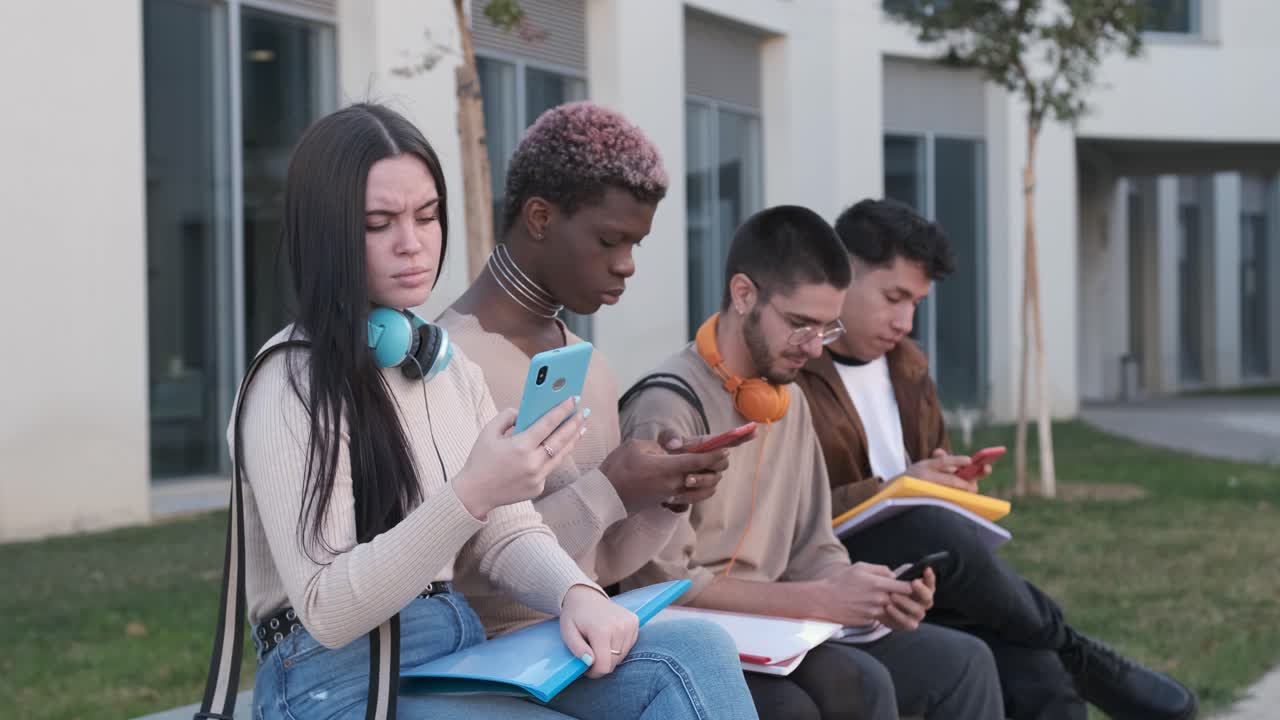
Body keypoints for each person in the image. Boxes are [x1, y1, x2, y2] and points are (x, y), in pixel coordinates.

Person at [234, 102, 759, 719]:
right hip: (334, 679)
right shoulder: (290, 381)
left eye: (427, 216)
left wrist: (576, 593)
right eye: (380, 223)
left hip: (450, 650)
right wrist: (470, 494)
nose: (413, 244)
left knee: (695, 648)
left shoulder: (444, 366)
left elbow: (506, 531)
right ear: (327, 233)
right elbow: (326, 608)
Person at [795, 197, 1198, 720]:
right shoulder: (793, 370)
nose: (905, 321)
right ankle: (1077, 648)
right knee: (928, 524)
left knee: (1039, 672)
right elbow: (786, 511)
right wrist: (898, 490)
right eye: (894, 297)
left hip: (924, 578)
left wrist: (948, 480)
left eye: (916, 302)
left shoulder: (908, 366)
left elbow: (927, 481)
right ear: (842, 273)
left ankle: (1063, 652)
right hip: (838, 563)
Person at [620, 205, 1004, 720]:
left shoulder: (788, 399)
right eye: (800, 324)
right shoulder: (667, 408)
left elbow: (815, 547)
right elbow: (661, 590)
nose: (814, 347)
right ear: (743, 294)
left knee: (965, 663)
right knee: (841, 692)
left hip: (782, 630)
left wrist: (870, 598)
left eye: (826, 328)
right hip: (690, 640)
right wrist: (820, 600)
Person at [439, 101, 744, 637]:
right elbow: (453, 568)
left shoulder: (592, 367)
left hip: (586, 646)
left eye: (635, 243)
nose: (627, 263)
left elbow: (599, 564)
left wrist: (661, 497)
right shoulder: (445, 364)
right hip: (485, 662)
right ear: (540, 218)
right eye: (609, 240)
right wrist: (608, 487)